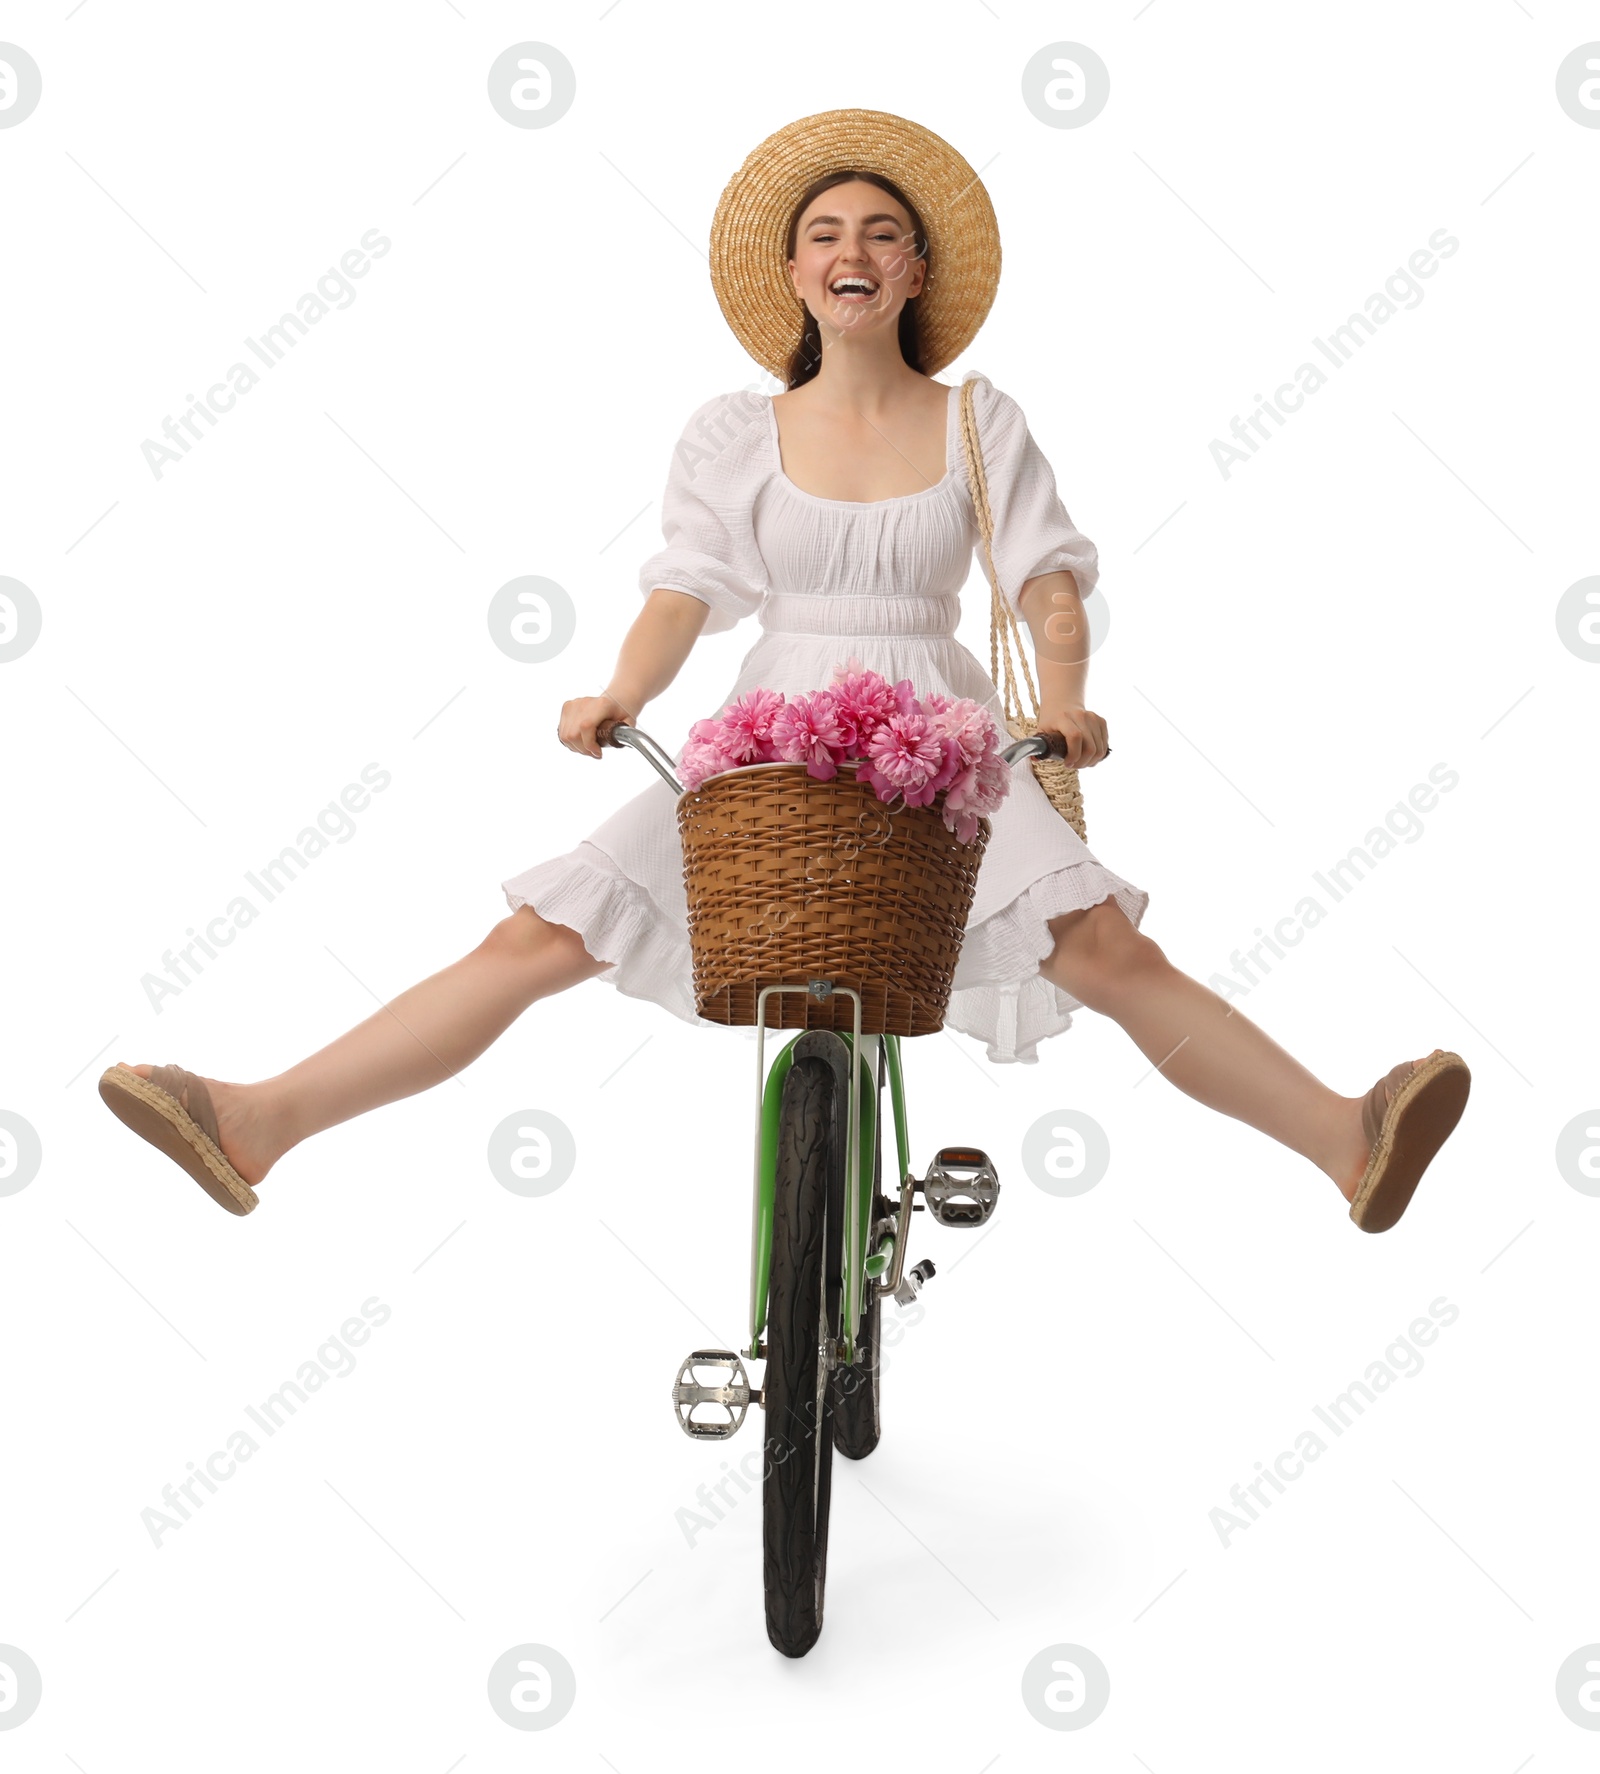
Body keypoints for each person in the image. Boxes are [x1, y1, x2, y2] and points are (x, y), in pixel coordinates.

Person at [99, 108, 1469, 1232]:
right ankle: (256, 1119)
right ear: (797, 277)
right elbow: (685, 586)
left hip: (941, 730)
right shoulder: (733, 433)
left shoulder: (978, 420)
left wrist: (1062, 704)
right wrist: (623, 692)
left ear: (918, 273)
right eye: (825, 235)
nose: (851, 250)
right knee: (540, 937)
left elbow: (1044, 579)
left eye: (881, 232)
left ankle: (1348, 1137)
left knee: (1103, 949)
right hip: (772, 728)